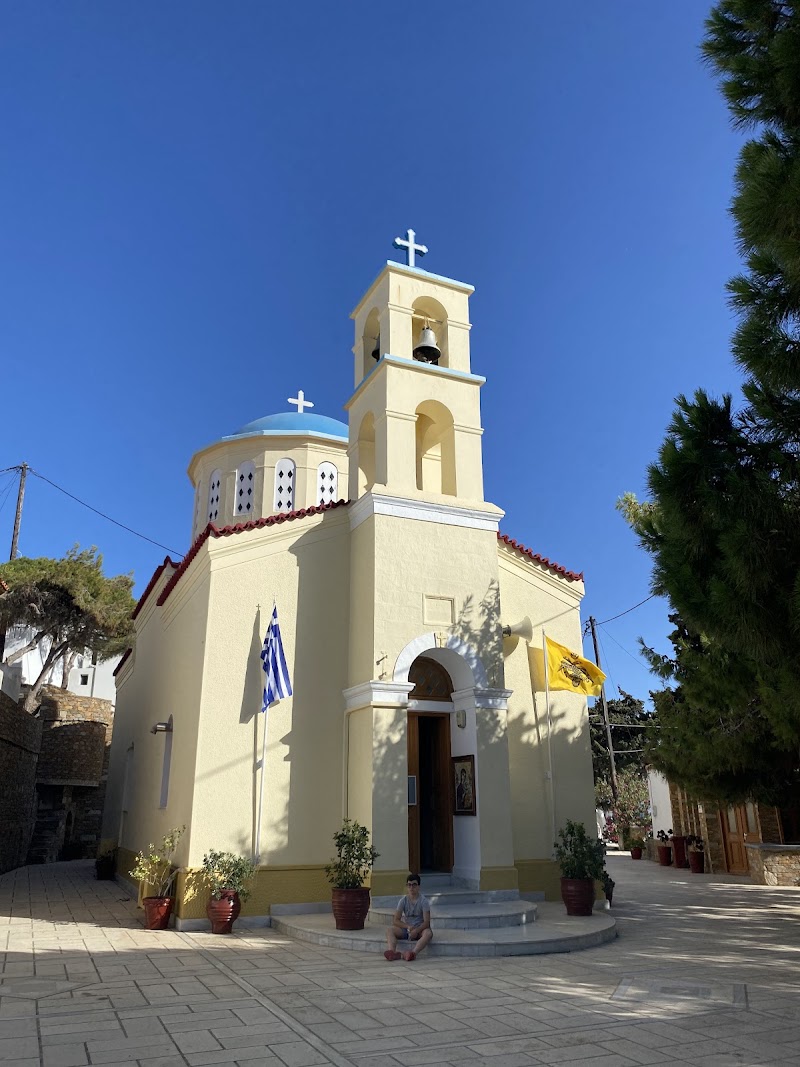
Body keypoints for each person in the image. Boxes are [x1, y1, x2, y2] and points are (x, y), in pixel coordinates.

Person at [384, 873, 432, 961]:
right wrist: (408, 927)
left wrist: (416, 930)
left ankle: (413, 953)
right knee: (389, 930)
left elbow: (426, 922)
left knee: (428, 933)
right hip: (407, 929)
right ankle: (392, 952)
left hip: (419, 930)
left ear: (418, 886)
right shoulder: (403, 901)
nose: (411, 888)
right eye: (409, 885)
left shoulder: (424, 901)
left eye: (414, 885)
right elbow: (396, 920)